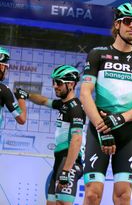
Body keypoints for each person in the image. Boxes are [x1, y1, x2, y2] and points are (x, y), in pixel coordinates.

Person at [80, 2, 132, 205]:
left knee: (123, 195)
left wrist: (121, 118)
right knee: (92, 194)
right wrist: (101, 126)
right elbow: (85, 93)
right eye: (129, 21)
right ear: (117, 24)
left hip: (127, 130)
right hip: (99, 127)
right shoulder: (98, 54)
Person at [16, 65, 85, 205]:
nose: (55, 86)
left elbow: (76, 140)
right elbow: (42, 101)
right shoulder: (63, 104)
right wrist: (27, 95)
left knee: (62, 203)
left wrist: (66, 170)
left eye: (58, 82)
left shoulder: (76, 108)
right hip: (60, 160)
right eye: (54, 82)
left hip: (69, 162)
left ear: (71, 84)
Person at [0, 46, 27, 125]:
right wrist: (21, 98)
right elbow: (22, 119)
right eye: (6, 67)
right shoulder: (4, 90)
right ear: (1, 67)